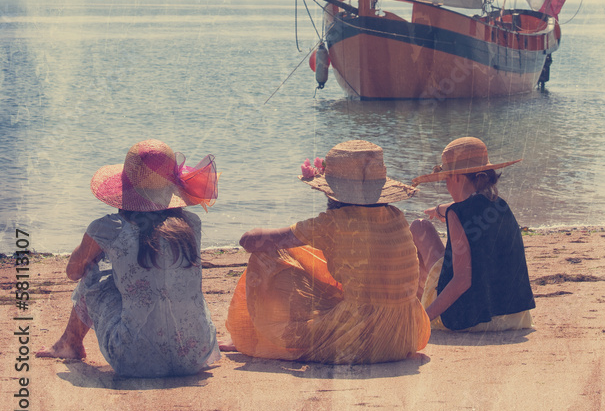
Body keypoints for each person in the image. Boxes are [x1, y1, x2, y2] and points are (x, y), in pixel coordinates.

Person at [222, 139, 430, 363]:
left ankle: (252, 335)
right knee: (318, 253)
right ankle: (253, 336)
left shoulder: (333, 222)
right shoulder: (396, 216)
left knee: (266, 255)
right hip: (405, 334)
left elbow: (249, 241)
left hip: (361, 338)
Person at [36, 139, 221, 377]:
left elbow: (73, 272)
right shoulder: (191, 224)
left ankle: (70, 343)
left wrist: (95, 247)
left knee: (93, 272)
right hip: (195, 355)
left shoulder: (108, 228)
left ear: (125, 189)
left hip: (134, 360)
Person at [410, 136, 535, 332]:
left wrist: (424, 320)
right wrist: (440, 209)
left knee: (419, 227)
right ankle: (417, 306)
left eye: (446, 179)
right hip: (514, 316)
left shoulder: (457, 213)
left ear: (456, 178)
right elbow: (473, 206)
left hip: (471, 318)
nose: (446, 185)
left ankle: (416, 310)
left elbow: (462, 280)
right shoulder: (501, 206)